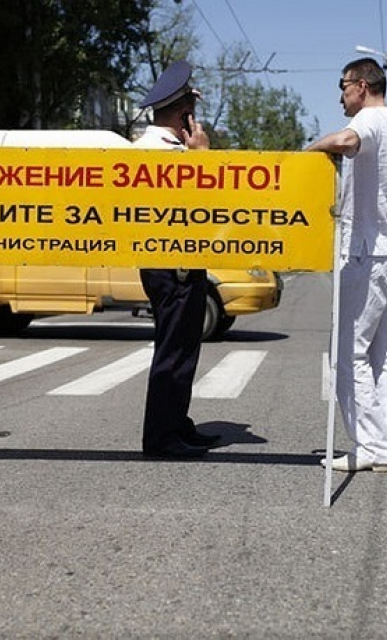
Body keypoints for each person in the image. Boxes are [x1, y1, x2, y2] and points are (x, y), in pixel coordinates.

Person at [307, 58, 387, 473]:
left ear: (361, 85)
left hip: (369, 251)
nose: (340, 95)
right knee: (384, 352)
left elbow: (345, 141)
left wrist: (306, 153)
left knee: (348, 352)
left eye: (343, 86)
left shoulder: (372, 121)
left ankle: (368, 447)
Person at [134, 61, 220, 459]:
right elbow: (190, 203)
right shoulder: (153, 152)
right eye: (191, 107)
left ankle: (176, 424)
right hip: (170, 264)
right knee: (172, 349)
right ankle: (161, 438)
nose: (195, 116)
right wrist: (203, 157)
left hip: (183, 260)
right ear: (182, 111)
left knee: (185, 346)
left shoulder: (172, 150)